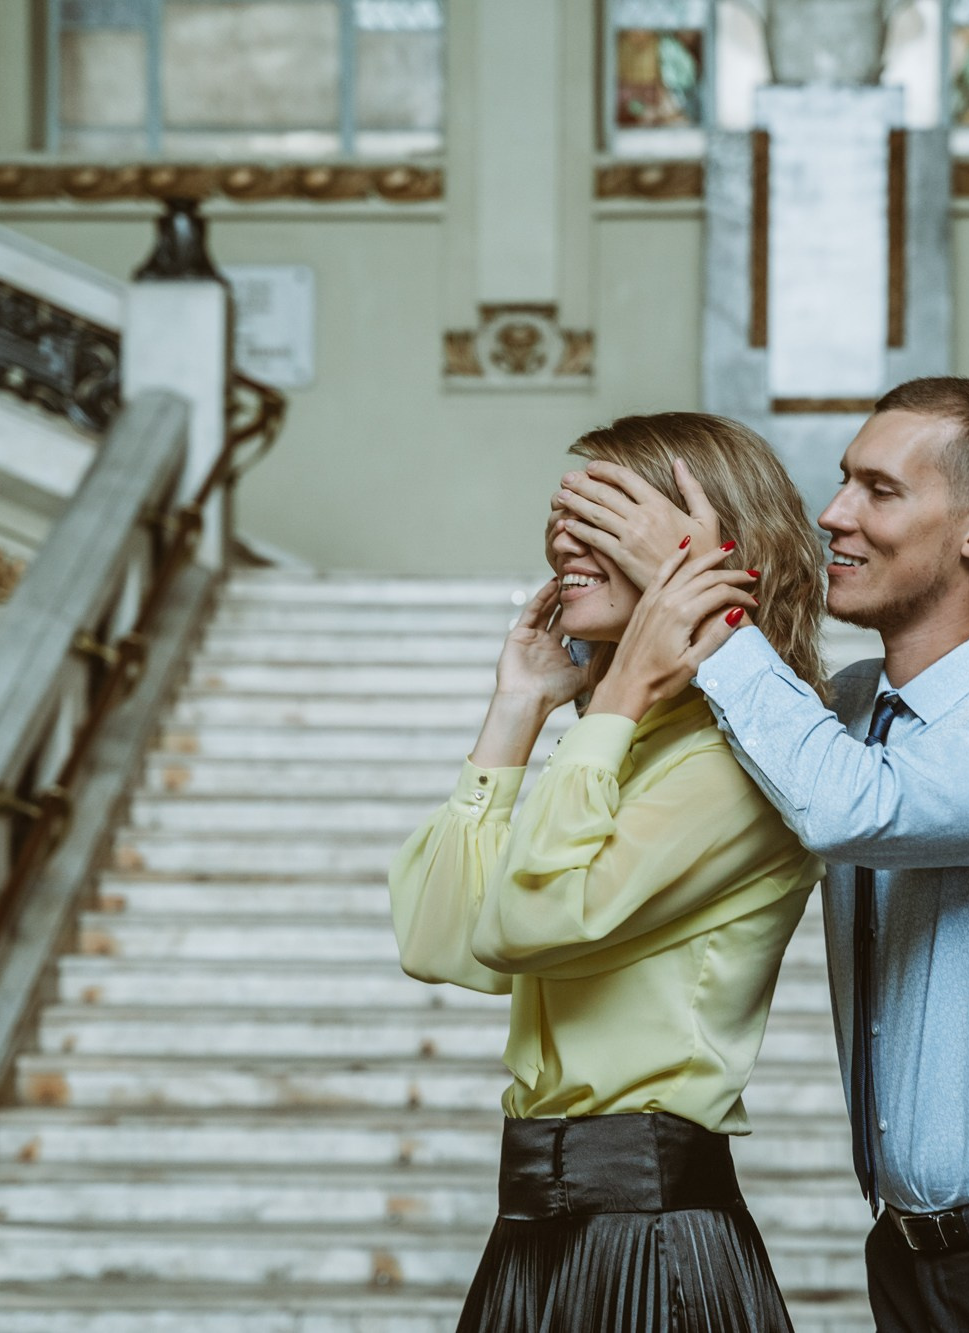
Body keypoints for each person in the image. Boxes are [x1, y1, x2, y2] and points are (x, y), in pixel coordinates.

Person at [550, 377, 969, 1331]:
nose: (833, 514)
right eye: (840, 482)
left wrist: (696, 594)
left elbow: (856, 805)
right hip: (908, 1263)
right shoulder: (844, 708)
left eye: (879, 489)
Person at [388, 411, 828, 1333]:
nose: (562, 539)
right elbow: (438, 942)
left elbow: (524, 923)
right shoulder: (612, 746)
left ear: (701, 554)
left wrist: (619, 690)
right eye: (562, 511)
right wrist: (517, 708)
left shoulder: (737, 761)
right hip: (534, 1232)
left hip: (652, 1239)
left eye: (604, 513)